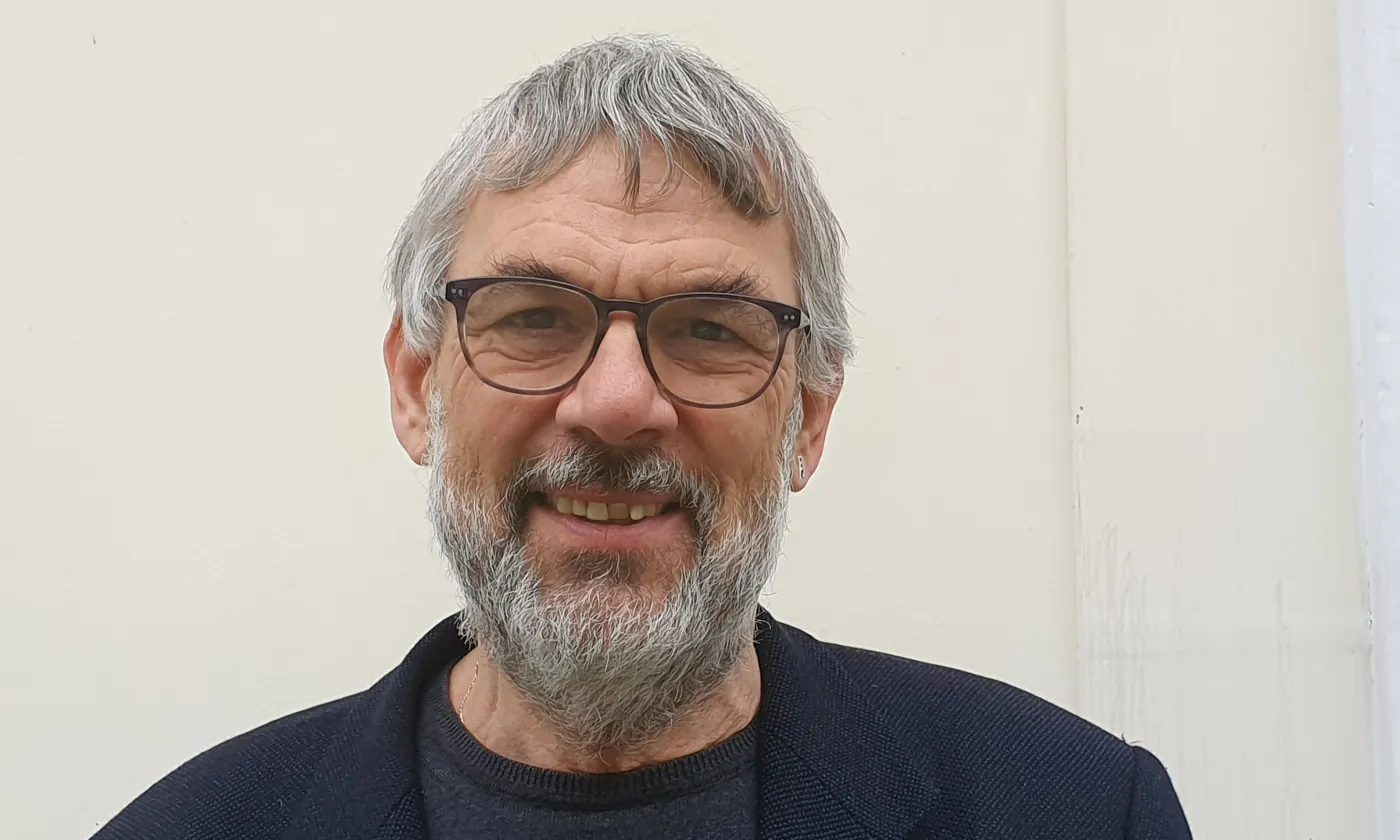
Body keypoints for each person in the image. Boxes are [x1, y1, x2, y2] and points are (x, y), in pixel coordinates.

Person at [96, 34, 1193, 840]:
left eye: (710, 328)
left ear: (808, 415)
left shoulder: (1080, 814)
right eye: (533, 317)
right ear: (417, 383)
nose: (616, 403)